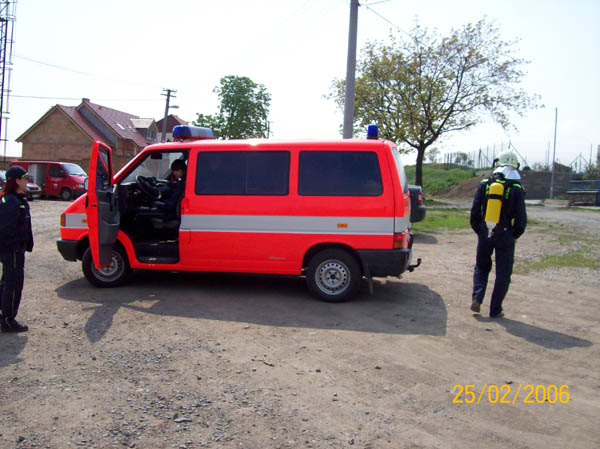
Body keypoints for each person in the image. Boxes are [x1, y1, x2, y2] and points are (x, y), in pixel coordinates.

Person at [470, 151, 527, 318]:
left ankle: (477, 298)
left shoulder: (485, 183)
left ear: (497, 163)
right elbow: (521, 218)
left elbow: (474, 212)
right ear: (515, 165)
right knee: (503, 273)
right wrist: (514, 235)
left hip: (485, 231)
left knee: (481, 267)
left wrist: (481, 231)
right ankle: (495, 309)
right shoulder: (516, 187)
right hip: (505, 234)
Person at [0, 165, 34, 333]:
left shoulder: (17, 199)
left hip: (14, 250)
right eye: (24, 178)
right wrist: (16, 247)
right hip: (12, 250)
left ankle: (4, 315)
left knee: (7, 282)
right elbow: (6, 229)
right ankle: (8, 320)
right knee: (13, 285)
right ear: (17, 181)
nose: (27, 182)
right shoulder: (11, 202)